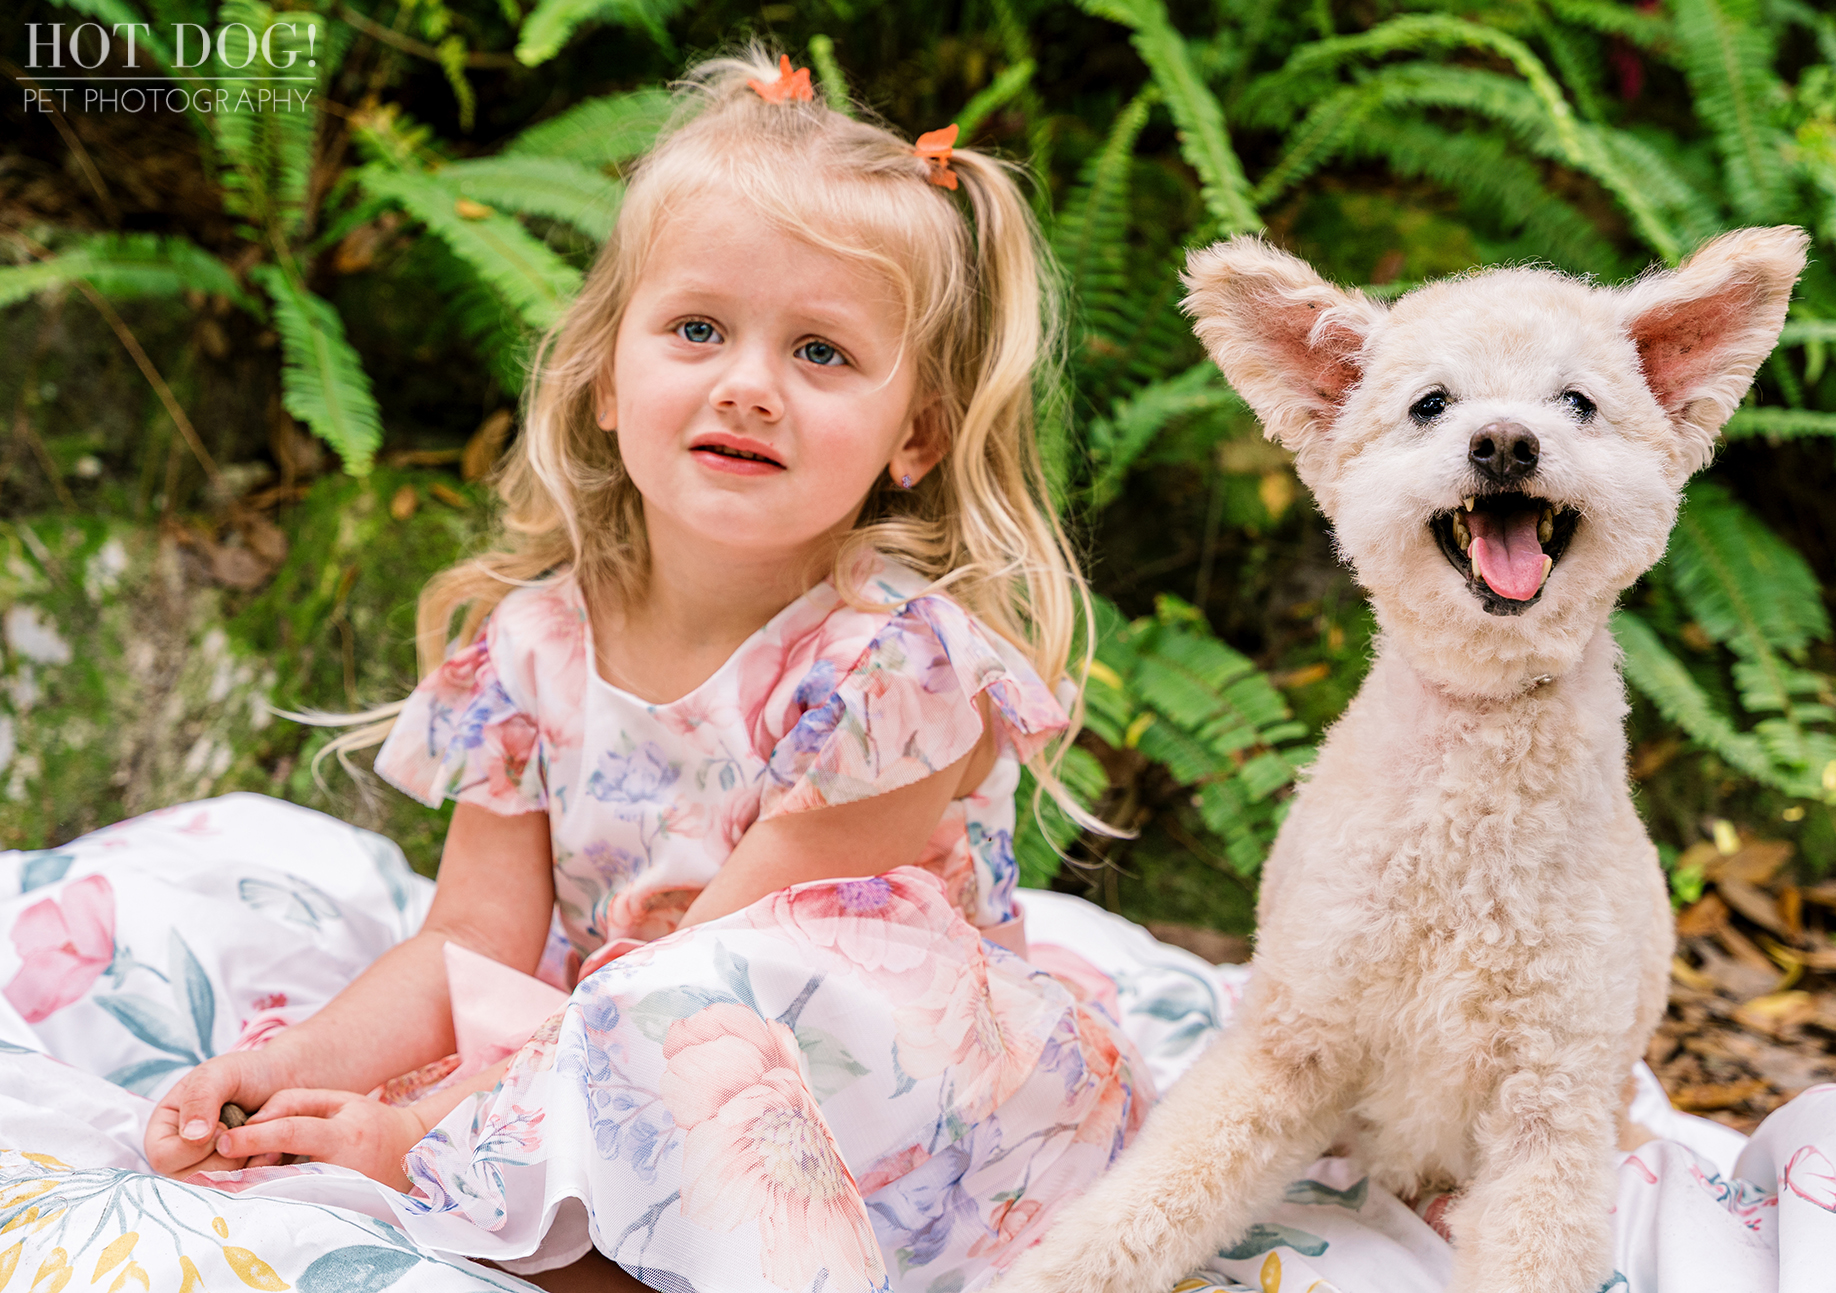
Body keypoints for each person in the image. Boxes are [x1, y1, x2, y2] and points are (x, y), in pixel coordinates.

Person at [117, 49, 1153, 1292]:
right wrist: (298, 1069)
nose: (749, 385)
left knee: (692, 1018)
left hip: (891, 1101)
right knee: (482, 1065)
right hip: (634, 1045)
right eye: (698, 328)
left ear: (916, 434)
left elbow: (708, 980)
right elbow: (476, 939)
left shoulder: (890, 667)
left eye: (821, 353)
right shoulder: (530, 648)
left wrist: (428, 1133)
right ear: (609, 377)